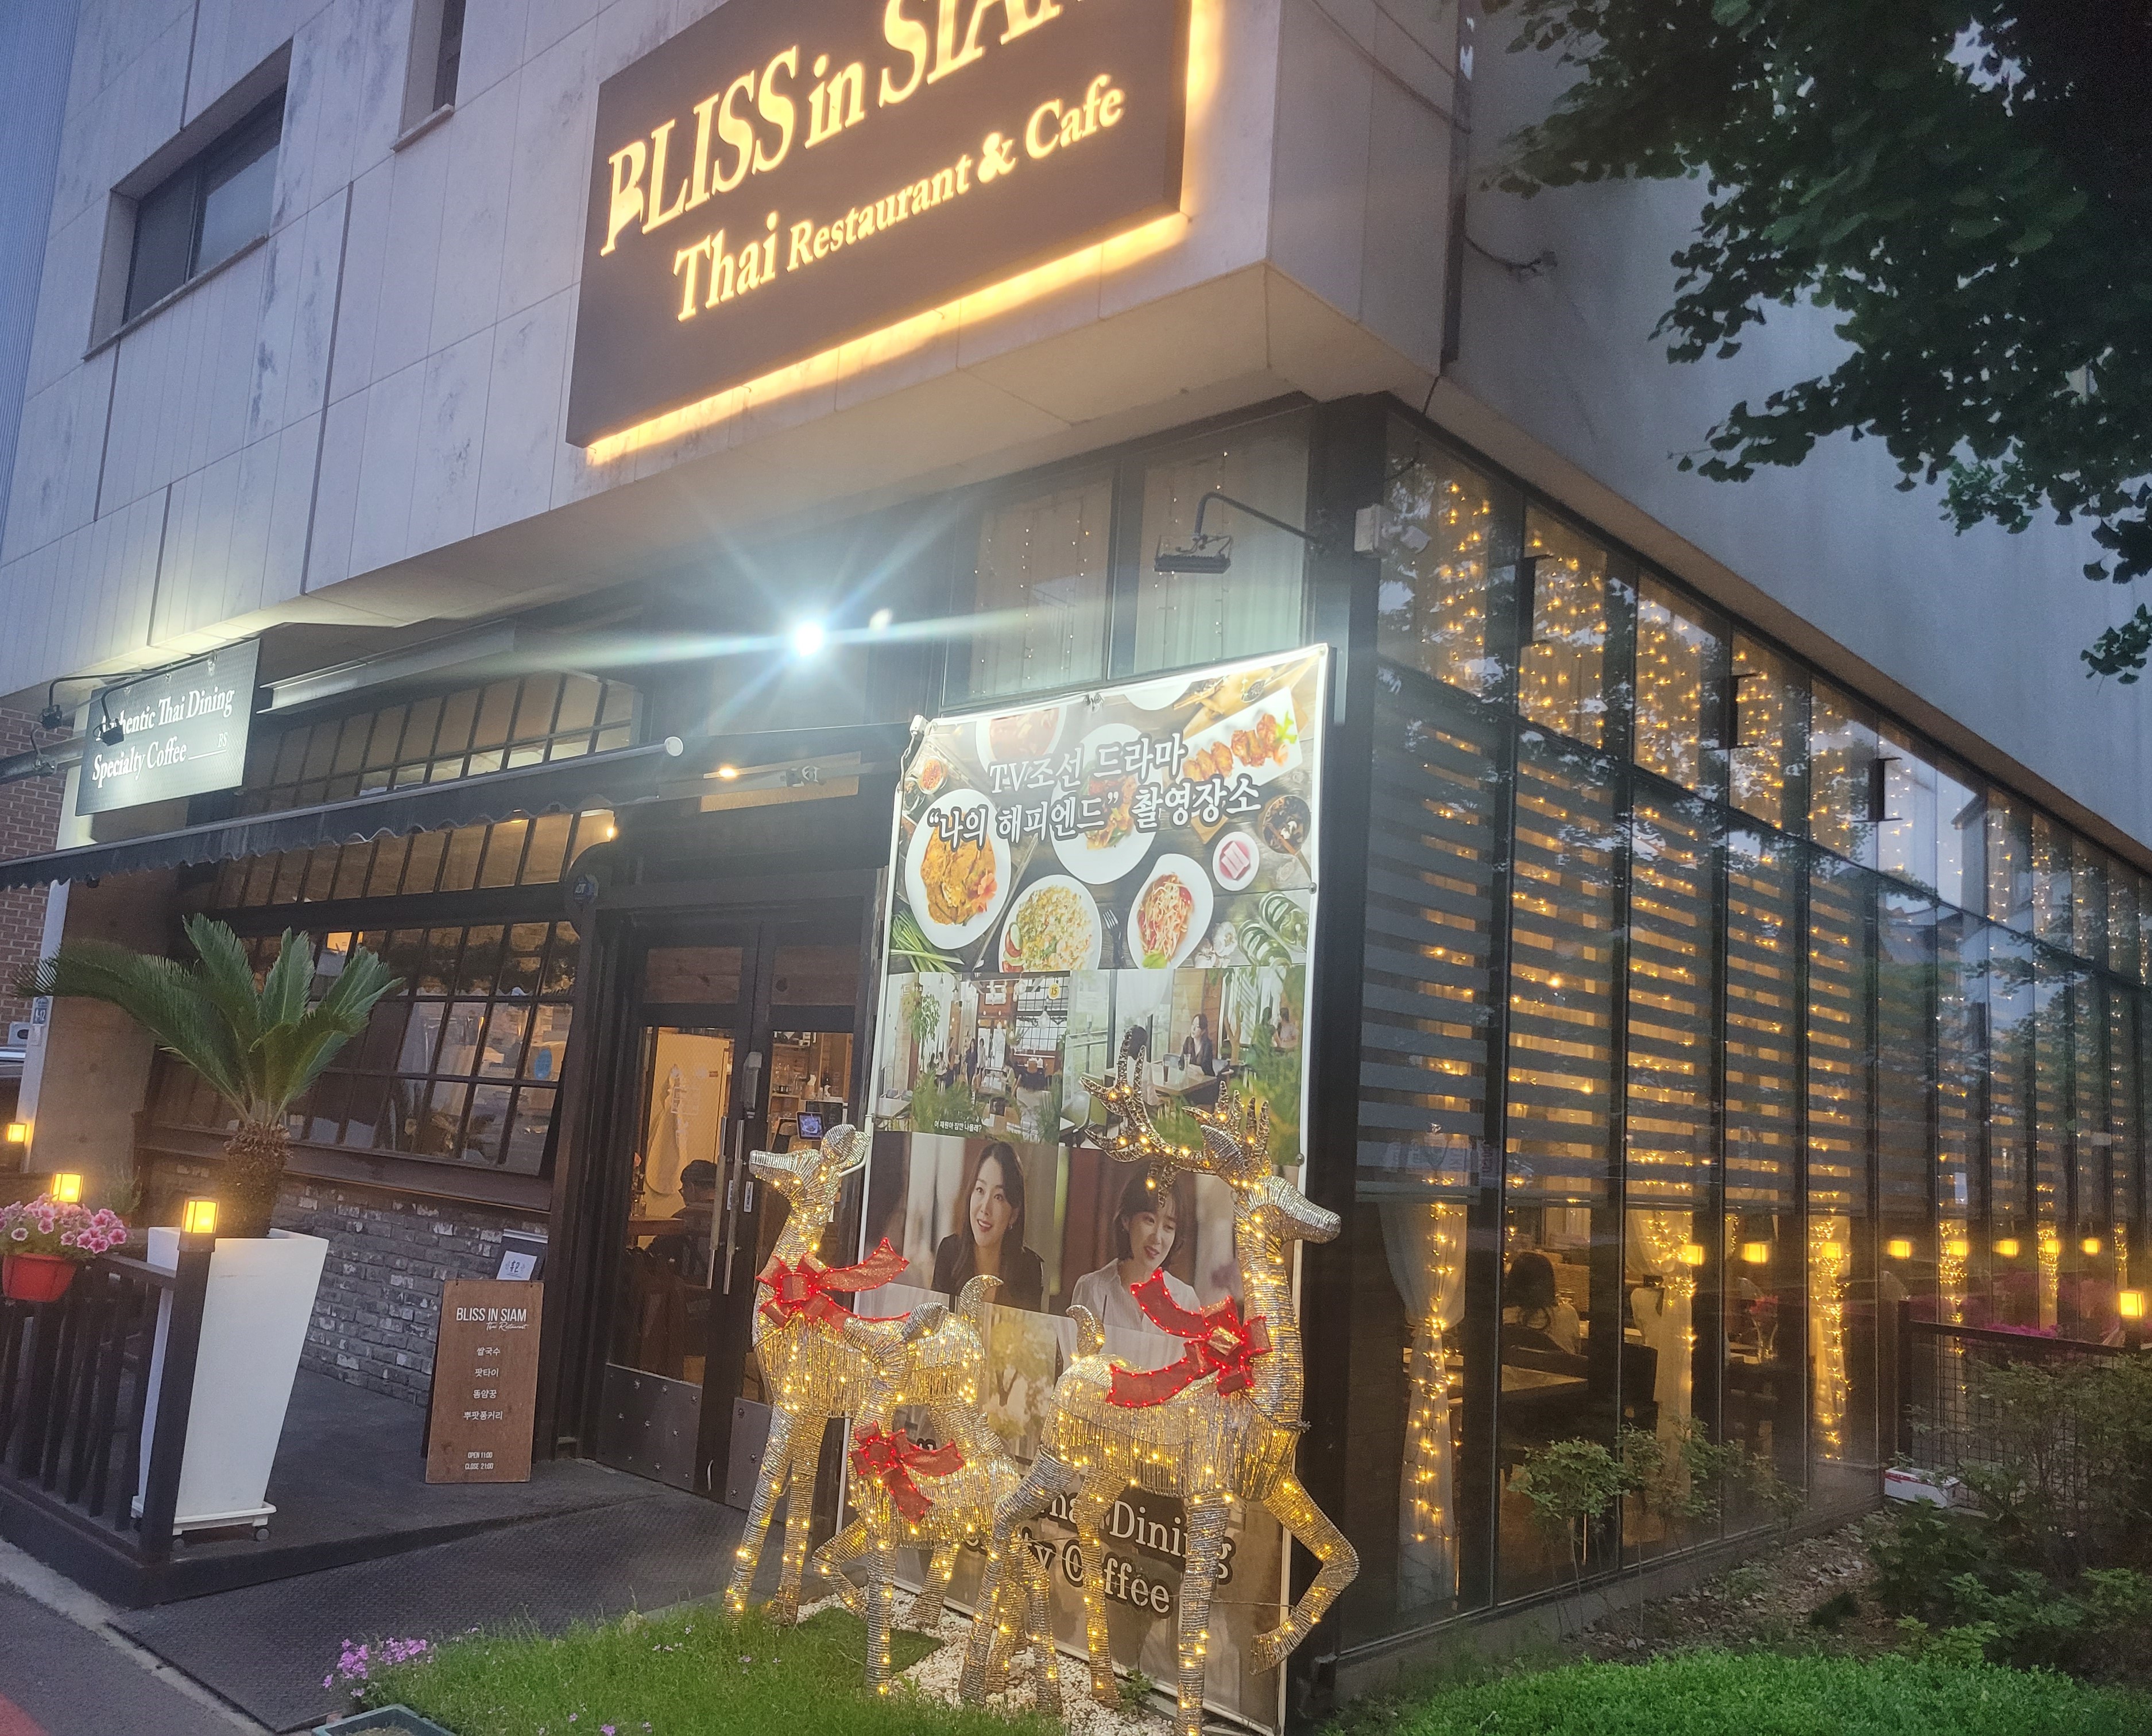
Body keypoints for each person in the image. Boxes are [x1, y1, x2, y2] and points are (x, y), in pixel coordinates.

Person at [1069, 1166, 1200, 1334]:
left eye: (1168, 1227)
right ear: (1126, 1220)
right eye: (1149, 1220)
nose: (1157, 1238)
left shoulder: (1185, 1299)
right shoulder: (1093, 1289)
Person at [930, 1140, 1046, 1310]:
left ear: (1014, 1214)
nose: (985, 1208)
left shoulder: (1029, 1268)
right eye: (980, 1190)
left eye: (999, 1197)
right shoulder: (949, 1253)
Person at [1502, 1250, 1582, 1354]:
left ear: (1511, 1281)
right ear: (1549, 1283)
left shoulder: (1501, 1317)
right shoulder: (1568, 1315)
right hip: (1558, 1365)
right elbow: (1577, 1352)